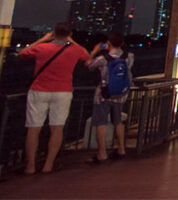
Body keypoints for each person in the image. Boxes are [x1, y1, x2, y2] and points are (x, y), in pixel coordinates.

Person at [18, 22, 91, 174]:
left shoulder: (43, 48)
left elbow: (23, 53)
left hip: (39, 90)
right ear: (69, 34)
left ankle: (30, 166)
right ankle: (48, 165)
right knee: (57, 128)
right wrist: (71, 40)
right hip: (63, 91)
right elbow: (87, 55)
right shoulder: (74, 50)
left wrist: (42, 39)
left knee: (33, 129)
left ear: (53, 33)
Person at [86, 32, 134, 163]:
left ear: (108, 43)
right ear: (122, 43)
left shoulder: (103, 59)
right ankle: (121, 149)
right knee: (118, 121)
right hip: (121, 94)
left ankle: (102, 153)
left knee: (100, 123)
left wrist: (95, 51)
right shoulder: (129, 57)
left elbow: (89, 65)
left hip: (104, 94)